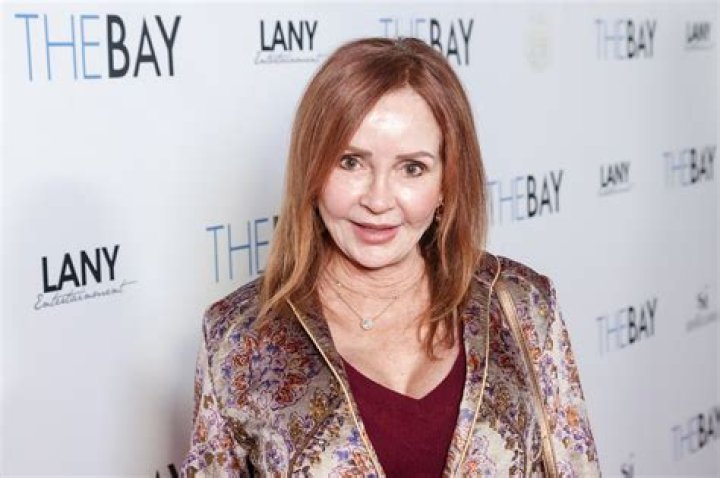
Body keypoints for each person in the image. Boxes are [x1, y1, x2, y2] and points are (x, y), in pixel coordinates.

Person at [182, 37, 599, 477]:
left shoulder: (522, 305)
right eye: (350, 162)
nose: (378, 200)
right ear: (313, 170)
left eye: (412, 168)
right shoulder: (240, 338)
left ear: (447, 183)